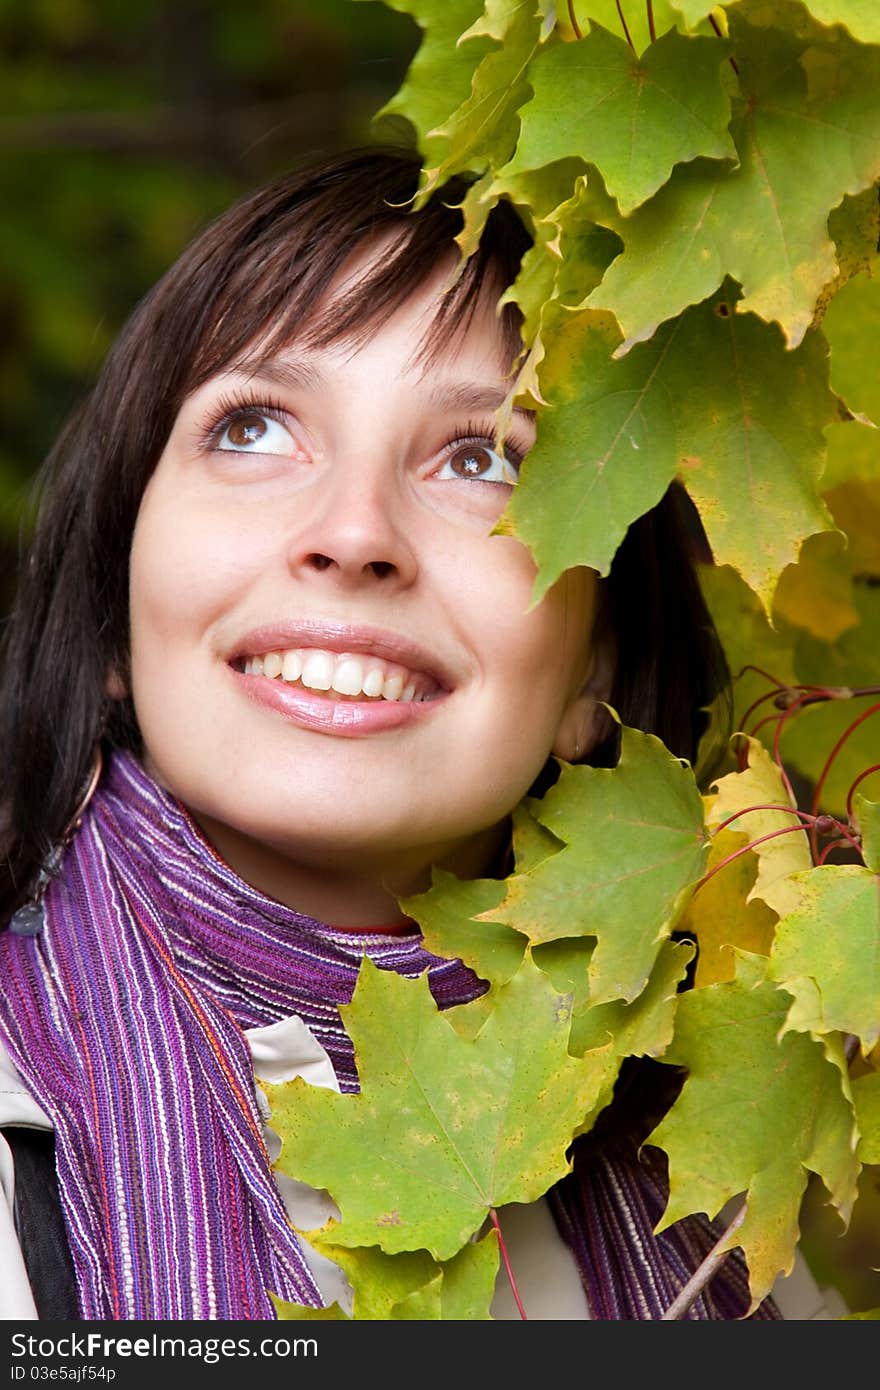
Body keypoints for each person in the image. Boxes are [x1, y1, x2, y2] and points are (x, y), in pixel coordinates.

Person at [0, 146, 841, 1322]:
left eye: (483, 457)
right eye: (252, 429)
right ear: (110, 603)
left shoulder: (720, 1208)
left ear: (591, 673)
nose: (354, 531)